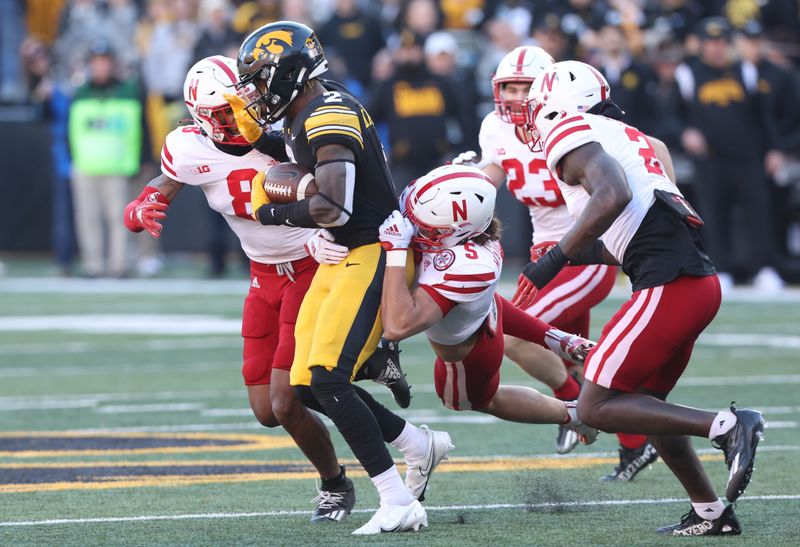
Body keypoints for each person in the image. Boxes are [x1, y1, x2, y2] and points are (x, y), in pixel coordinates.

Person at [123, 55, 405, 523]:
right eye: (229, 110)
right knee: (267, 411)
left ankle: (336, 483)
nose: (244, 115)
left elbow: (338, 190)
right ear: (204, 118)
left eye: (245, 102)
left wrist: (326, 232)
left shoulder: (289, 136)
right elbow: (172, 177)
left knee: (290, 394)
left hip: (312, 266)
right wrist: (142, 203)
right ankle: (374, 382)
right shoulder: (190, 146)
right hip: (262, 278)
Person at [522, 60, 765, 535]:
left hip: (669, 285)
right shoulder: (624, 135)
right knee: (646, 405)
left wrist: (552, 262)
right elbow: (630, 232)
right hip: (689, 281)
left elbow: (611, 196)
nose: (534, 117)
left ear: (561, 102)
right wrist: (566, 253)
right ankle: (710, 512)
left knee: (595, 406)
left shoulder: (573, 129)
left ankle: (729, 426)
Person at [231, 21, 451, 535]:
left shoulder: (328, 113)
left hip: (376, 252)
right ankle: (418, 445)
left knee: (328, 376)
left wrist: (273, 214)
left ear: (290, 72)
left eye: (261, 79)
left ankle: (397, 499)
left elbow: (332, 206)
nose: (257, 93)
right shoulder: (303, 110)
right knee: (306, 384)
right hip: (342, 255)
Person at [456, 46, 655, 477]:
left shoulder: (571, 124)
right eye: (507, 86)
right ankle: (636, 441)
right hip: (544, 249)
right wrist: (461, 182)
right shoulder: (495, 126)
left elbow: (645, 151)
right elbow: (495, 177)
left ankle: (573, 400)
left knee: (512, 334)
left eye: (524, 87)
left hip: (586, 251)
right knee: (579, 356)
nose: (514, 96)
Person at [378, 165, 600, 442]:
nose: (414, 228)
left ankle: (572, 415)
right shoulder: (473, 237)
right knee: (478, 306)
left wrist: (396, 250)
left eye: (424, 226)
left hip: (467, 357)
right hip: (482, 317)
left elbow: (397, 326)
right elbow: (490, 302)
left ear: (456, 229)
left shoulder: (468, 265)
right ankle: (558, 340)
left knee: (473, 401)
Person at [674, 17, 783, 291]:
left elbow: (764, 116)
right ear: (701, 45)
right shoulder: (688, 73)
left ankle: (764, 268)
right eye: (710, 43)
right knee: (713, 213)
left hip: (748, 157)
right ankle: (720, 268)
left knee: (759, 212)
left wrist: (774, 149)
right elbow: (671, 116)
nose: (716, 48)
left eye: (721, 42)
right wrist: (685, 133)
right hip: (710, 160)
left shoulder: (745, 70)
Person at [68, 39, 144, 278]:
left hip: (118, 165)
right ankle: (93, 265)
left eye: (105, 61)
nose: (101, 66)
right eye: (96, 62)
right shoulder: (80, 92)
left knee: (119, 218)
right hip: (86, 164)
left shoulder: (128, 90)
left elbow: (140, 128)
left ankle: (119, 264)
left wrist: (139, 160)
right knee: (88, 218)